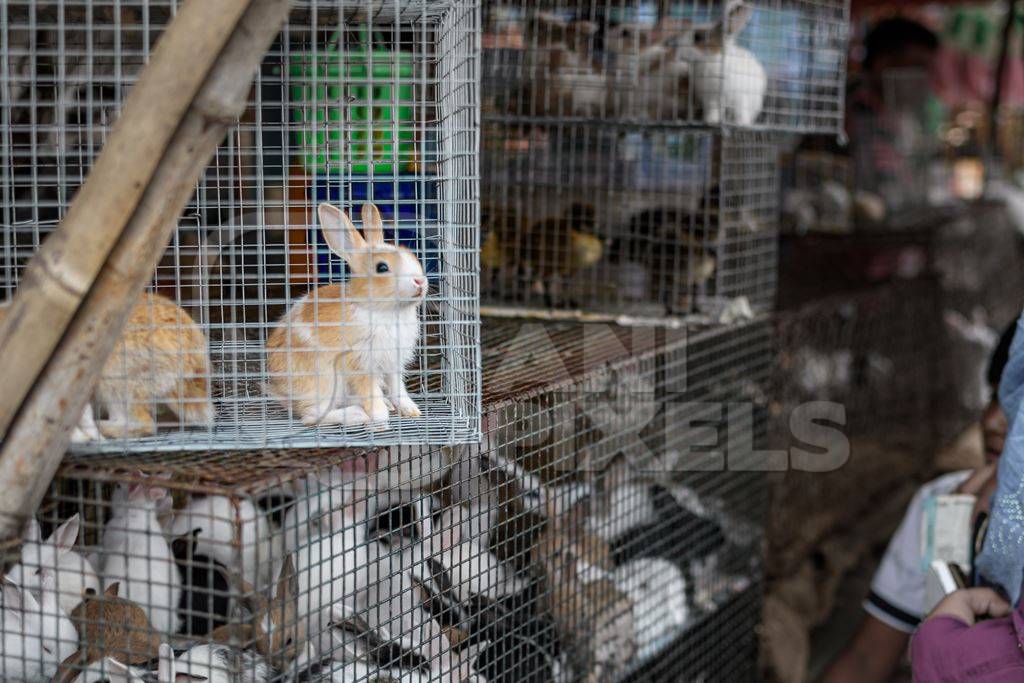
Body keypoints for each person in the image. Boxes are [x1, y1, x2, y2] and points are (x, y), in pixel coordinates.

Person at [821, 322, 1014, 683]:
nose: (991, 422)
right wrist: (949, 535)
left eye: (1017, 405)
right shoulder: (942, 503)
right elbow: (867, 658)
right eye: (992, 398)